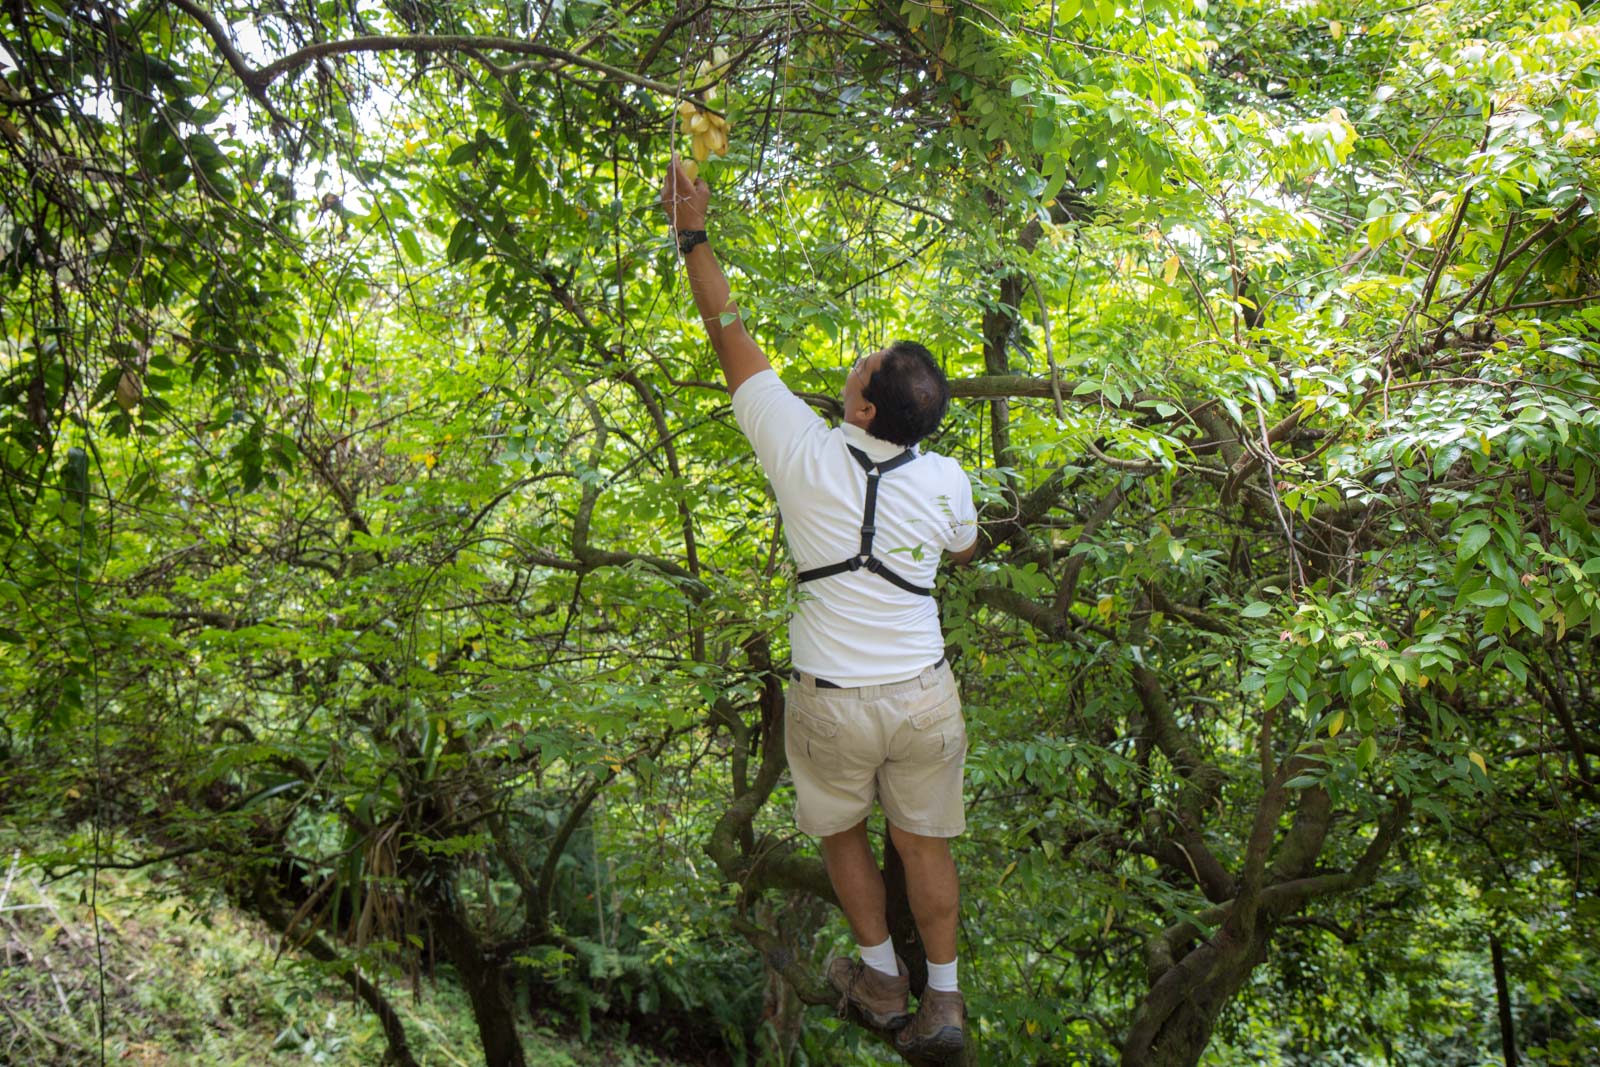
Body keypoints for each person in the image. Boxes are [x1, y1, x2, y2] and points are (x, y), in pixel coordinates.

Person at [661, 157, 977, 1058]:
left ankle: (881, 971)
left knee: (840, 829)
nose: (856, 358)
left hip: (835, 699)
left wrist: (694, 232)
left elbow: (728, 330)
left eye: (865, 364)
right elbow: (961, 546)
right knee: (926, 845)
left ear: (866, 405)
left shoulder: (799, 451)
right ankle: (944, 1002)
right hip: (923, 694)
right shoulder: (946, 475)